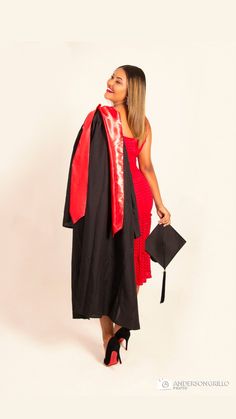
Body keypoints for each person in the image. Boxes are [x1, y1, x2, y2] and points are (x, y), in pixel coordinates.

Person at [62, 65, 171, 367]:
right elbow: (145, 167)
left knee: (108, 266)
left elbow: (85, 167)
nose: (109, 82)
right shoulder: (143, 123)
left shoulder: (101, 119)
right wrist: (160, 204)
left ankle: (109, 339)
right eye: (111, 77)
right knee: (129, 267)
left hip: (113, 202)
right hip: (140, 199)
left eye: (117, 80)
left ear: (129, 90)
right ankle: (123, 325)